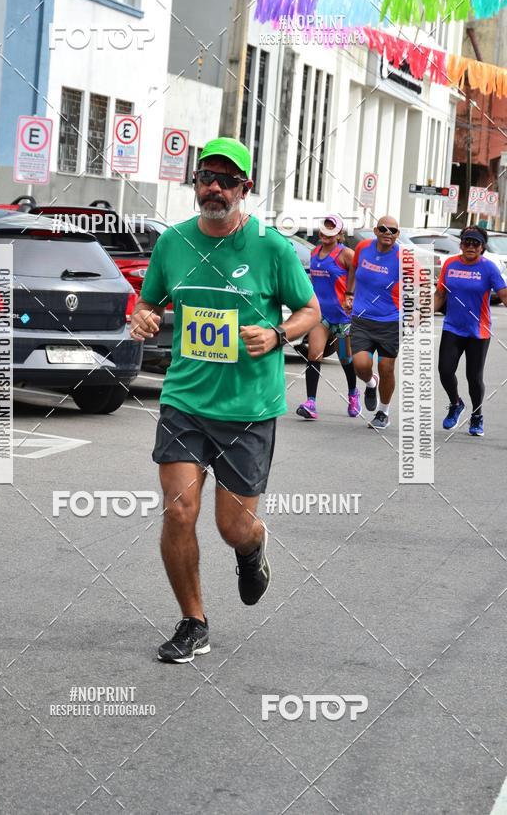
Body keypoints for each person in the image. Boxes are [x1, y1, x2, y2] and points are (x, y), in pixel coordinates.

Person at [130, 137, 320, 663]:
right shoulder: (174, 243)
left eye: (226, 180)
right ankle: (193, 622)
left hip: (247, 409)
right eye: (206, 177)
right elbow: (148, 302)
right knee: (178, 511)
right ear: (195, 183)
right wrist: (143, 317)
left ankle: (252, 547)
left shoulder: (271, 247)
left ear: (245, 188)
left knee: (231, 526)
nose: (214, 187)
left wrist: (279, 334)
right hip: (184, 400)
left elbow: (311, 311)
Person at [434, 225, 507, 436]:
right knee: (445, 371)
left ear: (482, 247)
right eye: (467, 241)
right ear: (461, 244)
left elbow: (503, 295)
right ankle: (456, 403)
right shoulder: (450, 264)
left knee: (474, 377)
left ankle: (477, 415)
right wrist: (420, 315)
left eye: (476, 243)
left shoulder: (489, 268)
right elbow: (440, 295)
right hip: (452, 327)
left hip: (478, 330)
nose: (471, 246)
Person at [296, 214, 361, 420]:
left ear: (339, 234)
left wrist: (351, 296)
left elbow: (359, 275)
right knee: (314, 355)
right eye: (324, 228)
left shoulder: (346, 254)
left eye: (331, 229)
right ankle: (311, 403)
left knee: (345, 358)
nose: (325, 233)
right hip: (320, 315)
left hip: (342, 317)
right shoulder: (314, 252)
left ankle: (353, 393)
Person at [344, 216, 401, 430]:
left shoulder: (403, 258)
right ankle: (370, 383)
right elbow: (353, 269)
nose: (388, 233)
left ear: (397, 234)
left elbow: (421, 284)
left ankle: (383, 412)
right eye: (383, 229)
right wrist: (349, 294)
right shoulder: (363, 248)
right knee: (360, 365)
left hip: (390, 321)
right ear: (376, 231)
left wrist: (416, 313)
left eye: (393, 230)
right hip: (362, 318)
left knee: (386, 368)